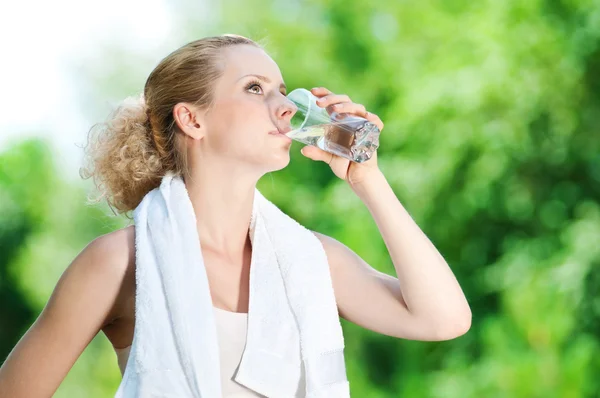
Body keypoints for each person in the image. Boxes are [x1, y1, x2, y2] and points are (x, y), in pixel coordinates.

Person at [0, 34, 472, 397]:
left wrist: (367, 179)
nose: (287, 107)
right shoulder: (119, 262)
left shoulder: (309, 260)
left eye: (283, 91)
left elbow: (442, 320)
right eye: (255, 89)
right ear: (193, 119)